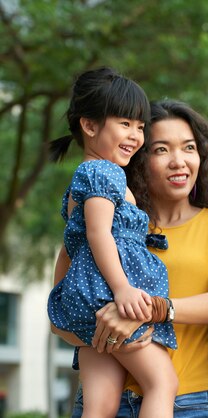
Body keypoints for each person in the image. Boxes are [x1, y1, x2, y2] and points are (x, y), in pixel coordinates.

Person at [54, 99, 208, 418]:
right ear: (140, 158)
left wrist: (154, 310)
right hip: (103, 401)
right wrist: (108, 331)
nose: (178, 161)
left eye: (188, 148)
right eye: (161, 150)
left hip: (183, 403)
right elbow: (61, 313)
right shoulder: (111, 219)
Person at [47, 67, 178, 418]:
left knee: (100, 406)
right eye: (124, 124)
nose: (136, 136)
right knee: (162, 383)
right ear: (90, 126)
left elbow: (75, 245)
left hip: (89, 298)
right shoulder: (104, 171)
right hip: (107, 298)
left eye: (139, 126)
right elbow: (98, 235)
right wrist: (121, 289)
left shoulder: (86, 176)